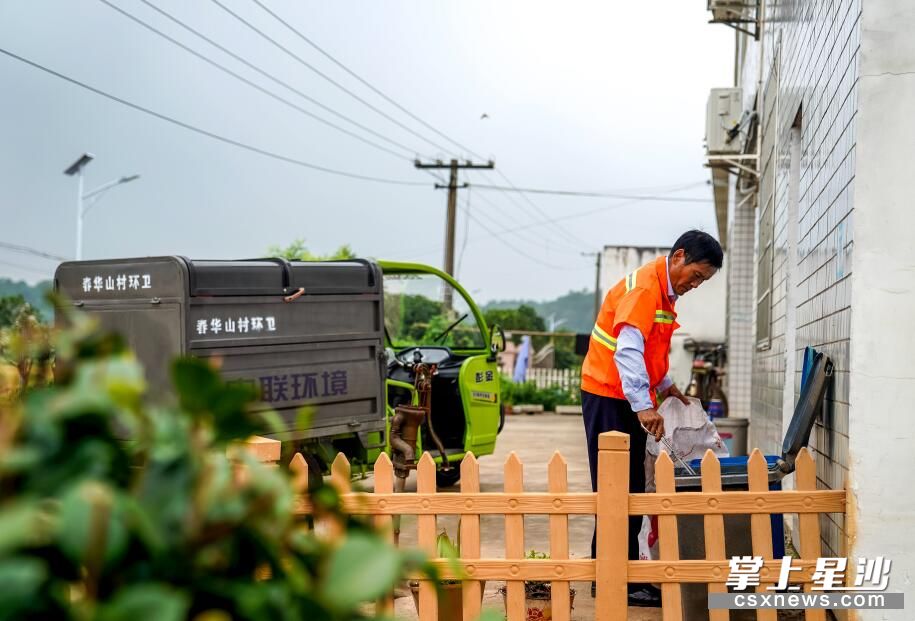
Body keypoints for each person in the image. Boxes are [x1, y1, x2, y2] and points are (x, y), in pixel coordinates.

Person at [581, 230, 722, 606]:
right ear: (679, 257)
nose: (695, 284)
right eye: (696, 275)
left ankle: (614, 574)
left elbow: (650, 348)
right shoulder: (645, 290)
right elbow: (627, 351)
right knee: (618, 490)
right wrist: (644, 405)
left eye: (703, 281)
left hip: (620, 396)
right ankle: (617, 580)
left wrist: (667, 386)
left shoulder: (662, 291)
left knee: (626, 488)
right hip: (609, 396)